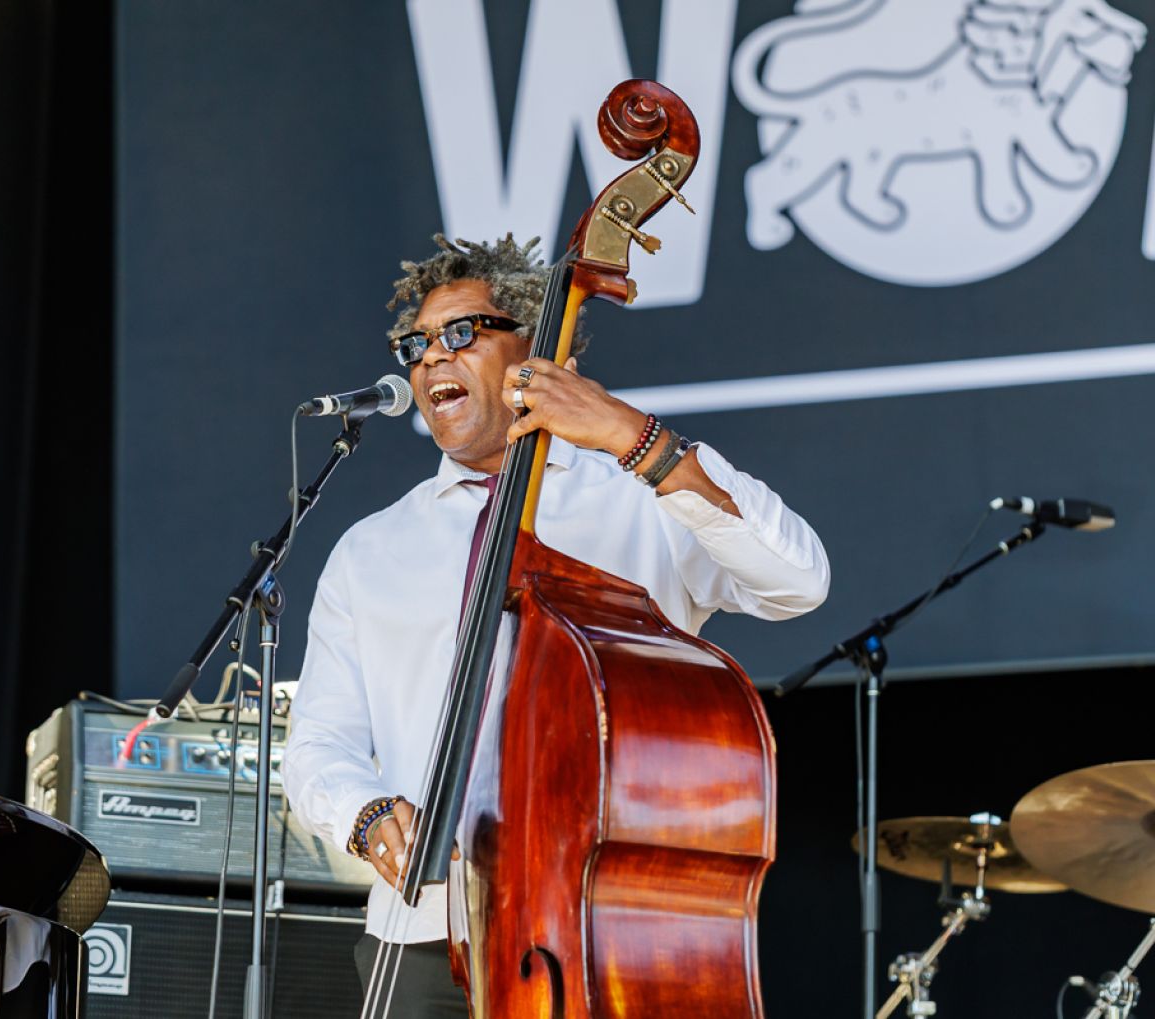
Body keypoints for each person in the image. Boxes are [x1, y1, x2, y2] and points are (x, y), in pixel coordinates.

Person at [281, 234, 830, 1016]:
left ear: (538, 348)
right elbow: (317, 746)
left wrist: (636, 439)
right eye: (416, 344)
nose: (432, 357)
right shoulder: (370, 551)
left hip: (600, 933)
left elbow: (798, 580)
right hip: (420, 934)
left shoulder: (641, 492)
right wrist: (367, 816)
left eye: (462, 333)